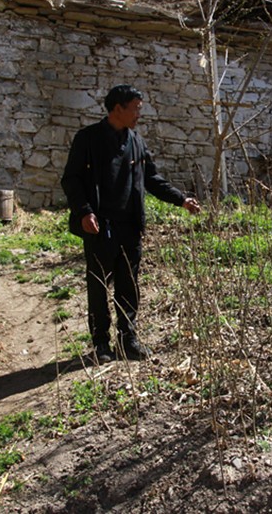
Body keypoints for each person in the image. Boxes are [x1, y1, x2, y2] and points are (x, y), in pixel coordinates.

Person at [61, 84, 201, 363]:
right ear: (118, 109)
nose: (139, 114)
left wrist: (181, 200)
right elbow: (71, 179)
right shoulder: (88, 138)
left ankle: (128, 341)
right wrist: (84, 212)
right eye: (135, 108)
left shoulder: (136, 141)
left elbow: (152, 179)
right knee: (98, 285)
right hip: (99, 226)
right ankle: (101, 343)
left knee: (128, 285)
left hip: (130, 226)